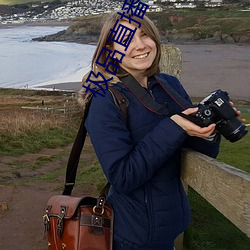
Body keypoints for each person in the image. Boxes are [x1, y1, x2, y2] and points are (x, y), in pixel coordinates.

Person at [78, 12, 240, 250]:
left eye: (144, 35)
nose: (139, 46)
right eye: (126, 40)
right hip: (133, 236)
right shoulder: (105, 99)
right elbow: (122, 176)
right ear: (110, 50)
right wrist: (174, 126)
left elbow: (197, 151)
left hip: (171, 227)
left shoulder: (168, 84)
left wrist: (212, 126)